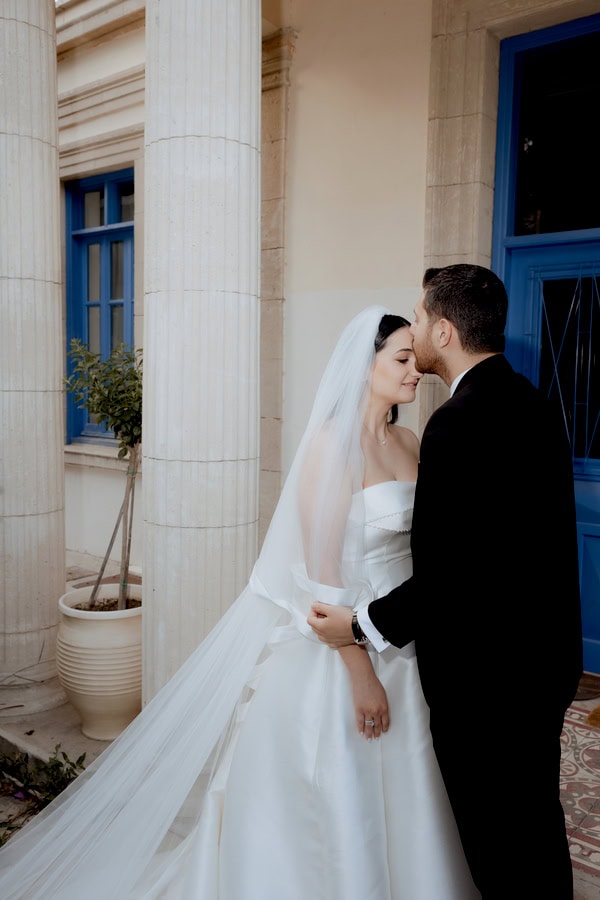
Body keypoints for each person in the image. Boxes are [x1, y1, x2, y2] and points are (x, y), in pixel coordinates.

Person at [0, 307, 478, 899]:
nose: (415, 373)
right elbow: (324, 578)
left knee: (412, 791)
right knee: (341, 793)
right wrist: (362, 676)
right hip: (345, 647)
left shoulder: (410, 439)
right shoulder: (330, 449)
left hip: (406, 642)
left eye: (414, 359)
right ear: (364, 368)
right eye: (402, 360)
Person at [308, 264, 583, 899]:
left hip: (485, 681)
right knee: (537, 829)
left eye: (421, 322)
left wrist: (361, 625)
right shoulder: (534, 405)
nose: (415, 353)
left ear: (445, 329)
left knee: (500, 846)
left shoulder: (455, 425)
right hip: (541, 665)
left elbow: (456, 571)